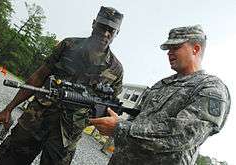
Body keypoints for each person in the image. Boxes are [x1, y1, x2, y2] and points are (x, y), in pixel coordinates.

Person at [0, 6, 124, 165]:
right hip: (35, 119)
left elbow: (110, 108)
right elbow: (39, 76)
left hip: (66, 136)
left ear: (117, 33)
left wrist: (96, 119)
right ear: (94, 23)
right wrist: (9, 108)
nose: (106, 33)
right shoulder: (68, 45)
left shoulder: (116, 70)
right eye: (102, 26)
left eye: (111, 30)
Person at [90, 25, 231, 165]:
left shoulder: (211, 88)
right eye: (168, 49)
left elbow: (183, 134)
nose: (169, 53)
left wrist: (120, 128)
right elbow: (137, 118)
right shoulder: (161, 84)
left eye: (176, 47)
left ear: (196, 49)